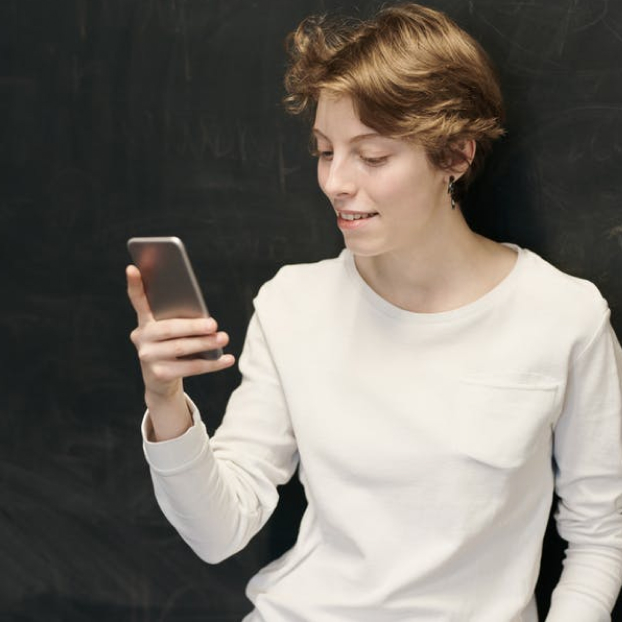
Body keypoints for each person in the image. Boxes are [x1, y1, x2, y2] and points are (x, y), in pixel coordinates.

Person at [126, 3, 622, 621]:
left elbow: (602, 536)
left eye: (372, 156)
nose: (336, 181)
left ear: (455, 157)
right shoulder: (293, 304)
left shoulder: (561, 316)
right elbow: (218, 530)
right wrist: (165, 401)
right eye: (324, 150)